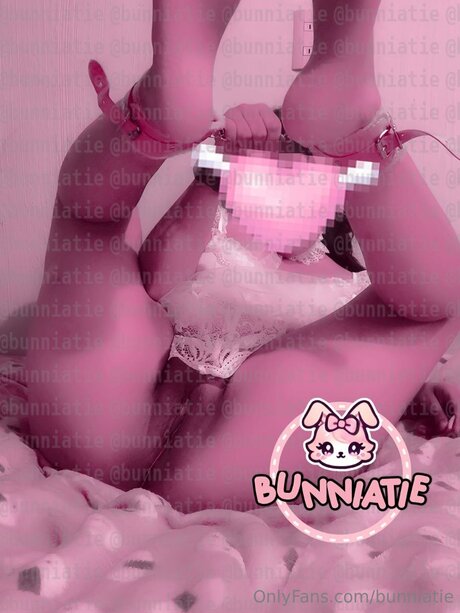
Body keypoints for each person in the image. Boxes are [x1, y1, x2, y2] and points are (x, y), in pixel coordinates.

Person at [25, 0, 460, 511]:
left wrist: (415, 385)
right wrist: (217, 173)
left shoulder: (362, 281)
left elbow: (367, 364)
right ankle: (167, 116)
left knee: (432, 302)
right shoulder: (217, 234)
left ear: (344, 199)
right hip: (114, 392)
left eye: (305, 170)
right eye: (266, 172)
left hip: (243, 440)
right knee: (94, 222)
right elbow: (155, 280)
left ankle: (340, 123)